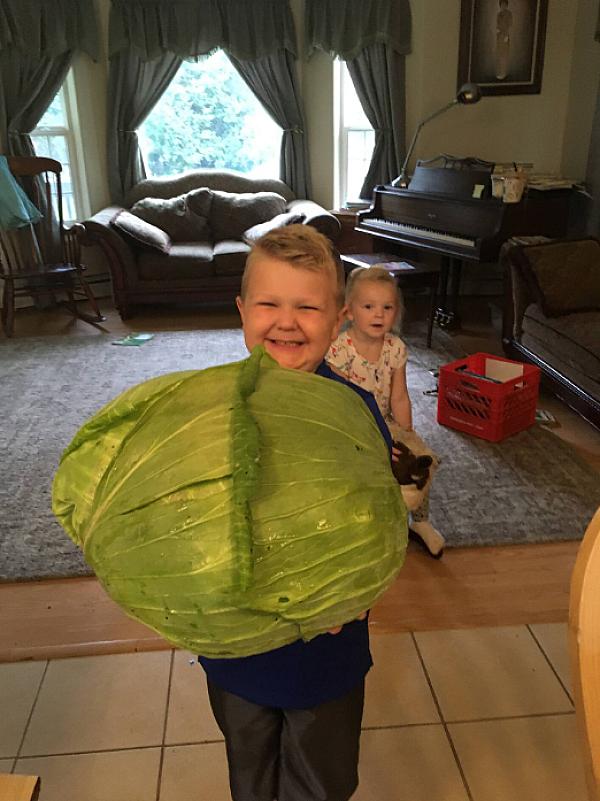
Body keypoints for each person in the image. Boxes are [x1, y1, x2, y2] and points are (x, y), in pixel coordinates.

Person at [199, 224, 397, 801]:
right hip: (235, 645)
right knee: (250, 771)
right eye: (268, 304)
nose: (286, 322)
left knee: (319, 779)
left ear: (337, 320)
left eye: (307, 307)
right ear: (242, 311)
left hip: (326, 651)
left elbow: (381, 517)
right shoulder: (211, 409)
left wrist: (354, 591)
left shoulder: (354, 409)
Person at [326, 265, 445, 558]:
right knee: (362, 471)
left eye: (387, 307)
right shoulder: (340, 349)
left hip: (385, 422)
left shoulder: (395, 348)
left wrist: (406, 433)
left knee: (420, 462)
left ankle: (420, 522)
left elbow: (400, 396)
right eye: (368, 306)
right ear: (350, 312)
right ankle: (364, 524)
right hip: (351, 425)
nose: (379, 314)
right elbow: (334, 398)